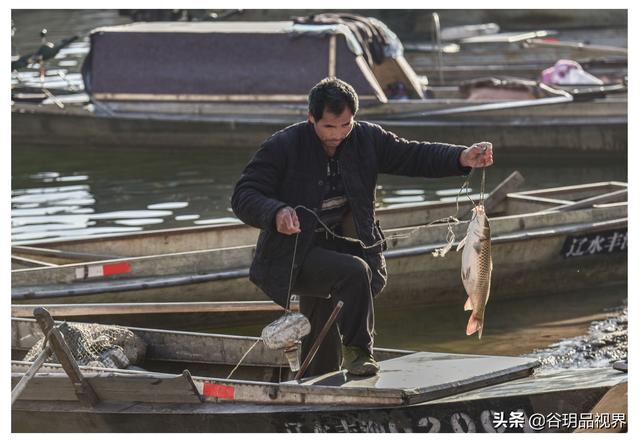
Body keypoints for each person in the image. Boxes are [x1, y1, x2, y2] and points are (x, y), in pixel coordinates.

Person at [231, 77, 493, 377]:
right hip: (293, 253)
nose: (338, 135)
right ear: (311, 118)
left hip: (343, 245)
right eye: (329, 127)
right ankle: (359, 352)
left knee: (325, 318)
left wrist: (461, 157)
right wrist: (276, 212)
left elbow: (412, 155)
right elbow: (244, 195)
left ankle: (315, 382)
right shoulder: (283, 145)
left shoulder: (367, 138)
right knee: (354, 271)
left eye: (345, 126)